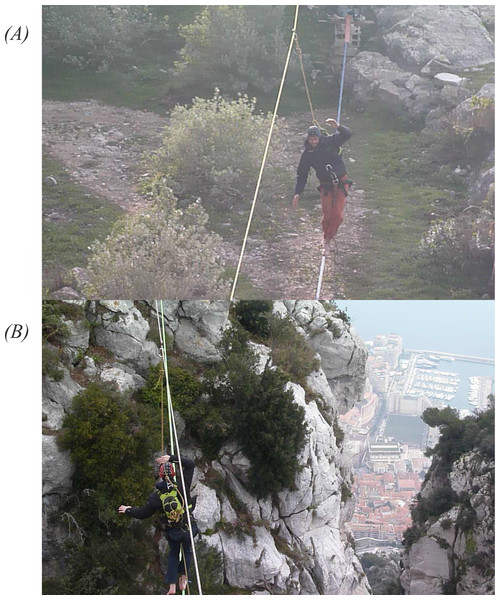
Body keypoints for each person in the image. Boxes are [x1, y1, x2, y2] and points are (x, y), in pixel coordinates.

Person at [118, 454, 198, 595]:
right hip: (188, 528)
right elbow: (190, 464)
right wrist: (171, 458)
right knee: (187, 551)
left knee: (173, 554)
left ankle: (172, 586)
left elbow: (143, 513)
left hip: (173, 531)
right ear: (173, 474)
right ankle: (183, 579)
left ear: (160, 476)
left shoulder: (156, 497)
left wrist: (128, 510)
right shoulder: (182, 484)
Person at [292, 118, 352, 255]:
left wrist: (338, 126)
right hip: (325, 187)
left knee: (337, 216)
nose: (313, 142)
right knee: (327, 216)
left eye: (315, 139)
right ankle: (326, 239)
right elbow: (302, 175)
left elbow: (347, 134)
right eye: (311, 139)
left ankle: (328, 239)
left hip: (341, 183)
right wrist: (297, 193)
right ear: (308, 139)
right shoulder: (307, 155)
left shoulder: (330, 142)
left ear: (319, 137)